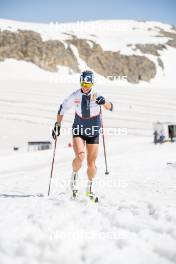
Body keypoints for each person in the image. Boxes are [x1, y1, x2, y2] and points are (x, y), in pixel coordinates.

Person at [52, 70, 113, 202]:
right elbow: (62, 108)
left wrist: (103, 102)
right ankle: (74, 177)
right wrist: (57, 125)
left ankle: (89, 190)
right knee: (80, 157)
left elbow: (111, 106)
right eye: (83, 83)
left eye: (88, 84)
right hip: (79, 130)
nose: (85, 86)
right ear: (81, 82)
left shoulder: (97, 95)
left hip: (94, 132)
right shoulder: (75, 95)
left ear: (92, 83)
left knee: (91, 165)